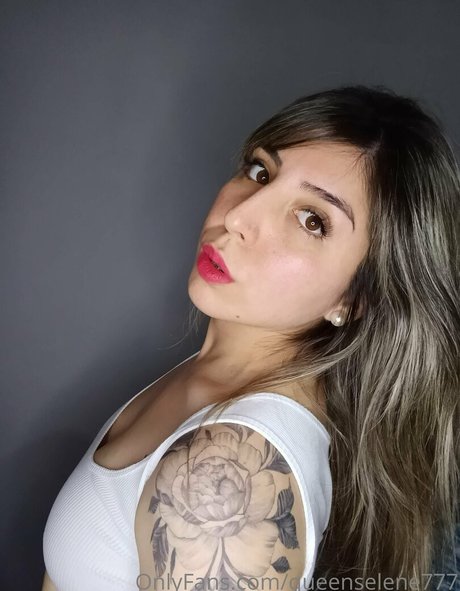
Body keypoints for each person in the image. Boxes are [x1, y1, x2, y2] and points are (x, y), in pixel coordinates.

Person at [42, 85, 459, 591]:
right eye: (261, 172)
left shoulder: (233, 462)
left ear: (354, 300)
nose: (238, 217)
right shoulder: (215, 376)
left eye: (312, 220)